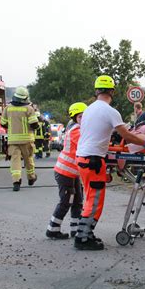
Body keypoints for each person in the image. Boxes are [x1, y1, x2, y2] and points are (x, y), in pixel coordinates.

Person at [74, 75, 145, 250]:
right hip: (93, 160)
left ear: (97, 91)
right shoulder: (110, 111)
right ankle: (82, 238)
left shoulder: (89, 110)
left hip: (83, 158)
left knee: (89, 198)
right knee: (94, 201)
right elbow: (126, 136)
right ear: (112, 91)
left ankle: (86, 233)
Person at [46, 102, 87, 240]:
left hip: (73, 173)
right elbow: (86, 143)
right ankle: (52, 230)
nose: (84, 119)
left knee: (78, 201)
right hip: (65, 172)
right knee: (66, 201)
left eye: (85, 116)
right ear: (75, 118)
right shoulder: (76, 131)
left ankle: (76, 230)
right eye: (81, 116)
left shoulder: (80, 129)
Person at [0, 87, 39, 191]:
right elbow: (34, 124)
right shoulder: (29, 108)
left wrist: (12, 126)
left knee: (15, 161)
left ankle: (16, 181)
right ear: (25, 98)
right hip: (27, 140)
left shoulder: (8, 108)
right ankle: (31, 178)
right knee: (29, 159)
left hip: (13, 140)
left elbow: (3, 123)